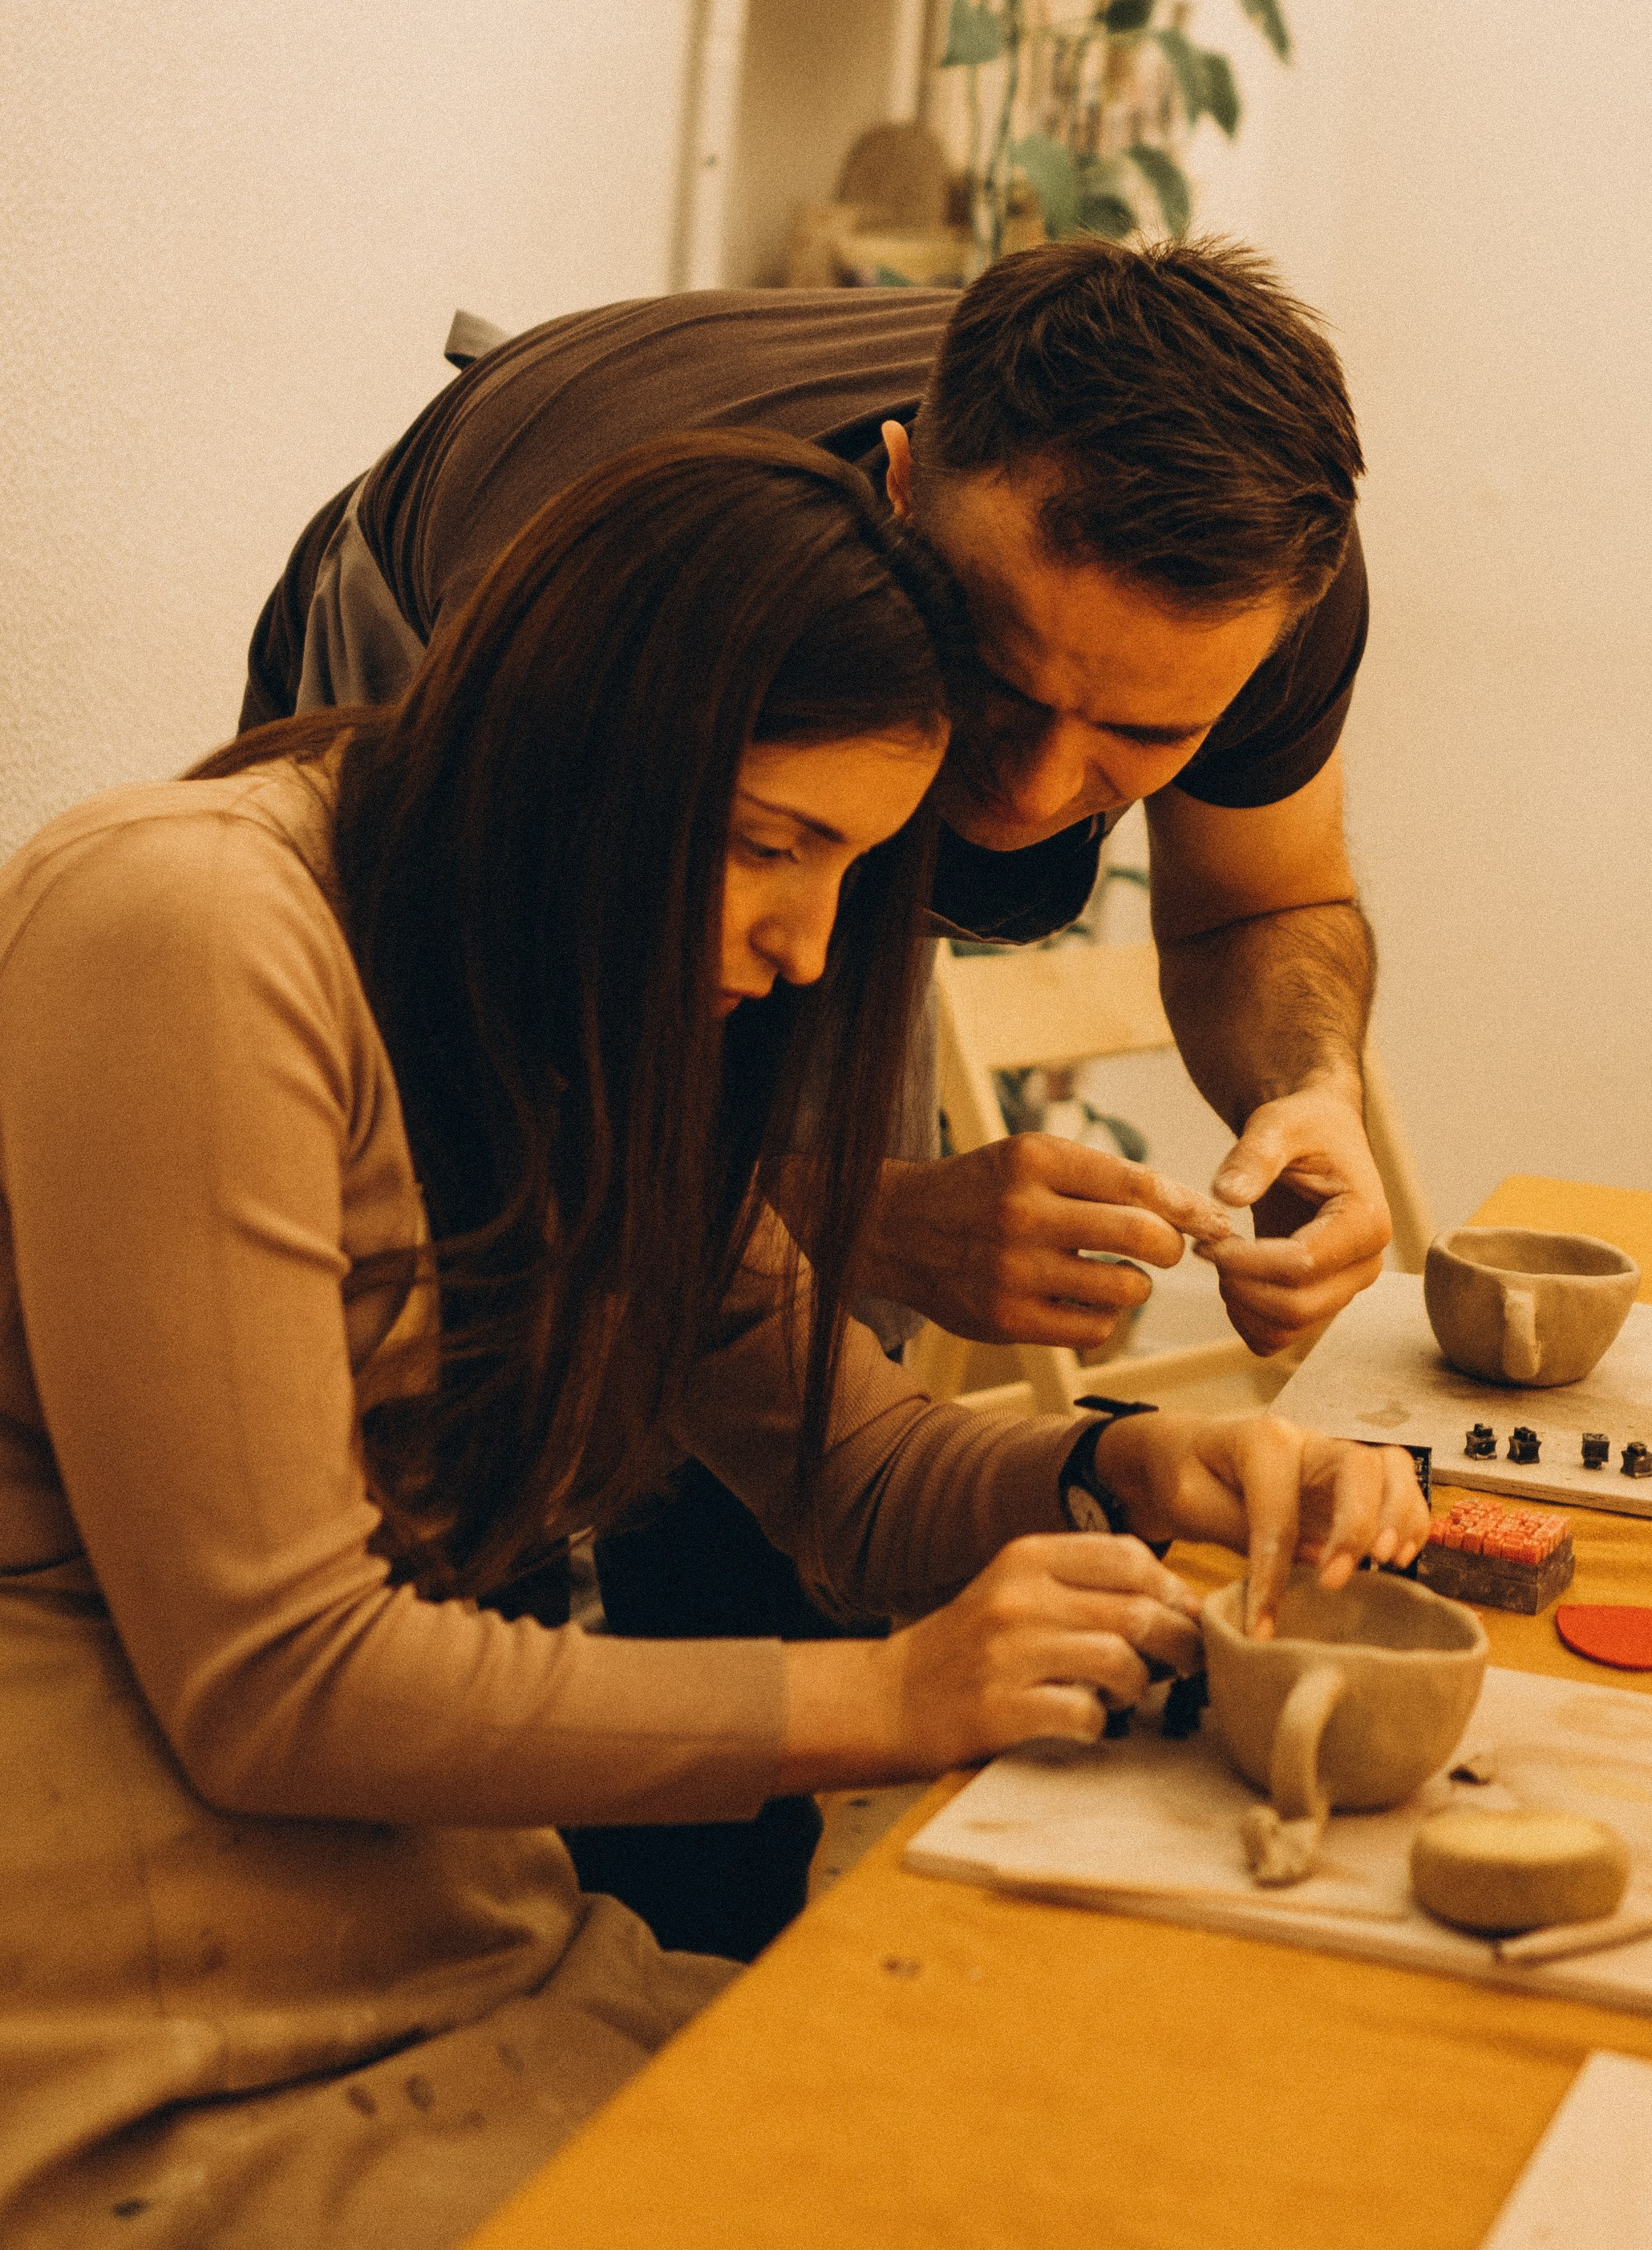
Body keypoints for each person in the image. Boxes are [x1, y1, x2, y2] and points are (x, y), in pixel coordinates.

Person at [0, 433, 1427, 2249]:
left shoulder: (564, 992)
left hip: (460, 1951)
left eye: (854, 868)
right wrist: (891, 1698)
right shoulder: (189, 924)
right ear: (578, 767)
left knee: (1153, 2149)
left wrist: (1128, 1467)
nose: (809, 944)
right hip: (131, 2033)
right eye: (775, 846)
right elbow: (278, 1684)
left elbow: (862, 1470)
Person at [242, 237, 1389, 1951]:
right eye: (1001, 686)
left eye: (1136, 744)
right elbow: (523, 1063)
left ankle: (695, 1944)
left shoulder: (1250, 580)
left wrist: (1311, 1099)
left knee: (758, 1452)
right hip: (446, 699)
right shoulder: (597, 582)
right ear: (902, 483)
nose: (1030, 790)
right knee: (481, 1405)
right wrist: (867, 1209)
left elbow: (1260, 906)